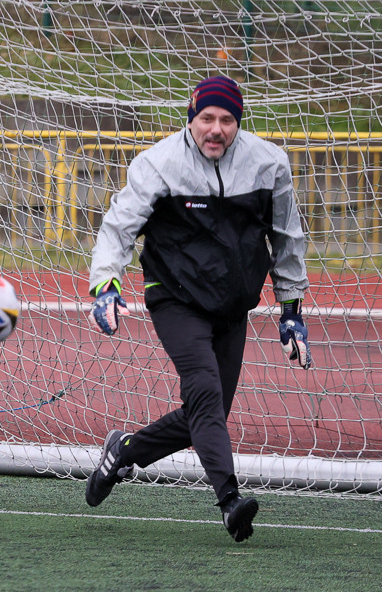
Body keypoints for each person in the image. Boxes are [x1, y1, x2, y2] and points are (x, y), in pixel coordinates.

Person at [85, 75, 311, 543]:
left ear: (238, 123)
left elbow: (288, 238)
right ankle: (230, 502)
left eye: (227, 119)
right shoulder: (158, 164)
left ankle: (125, 451)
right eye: (206, 118)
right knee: (205, 392)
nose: (216, 129)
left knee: (204, 415)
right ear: (191, 118)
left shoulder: (269, 164)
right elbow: (118, 228)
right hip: (175, 297)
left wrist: (291, 308)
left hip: (232, 305)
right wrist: (105, 284)